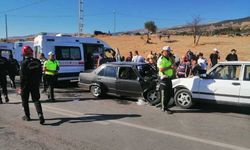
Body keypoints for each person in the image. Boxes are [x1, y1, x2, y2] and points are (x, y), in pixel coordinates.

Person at [20, 46, 44, 124]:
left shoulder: (23, 63)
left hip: (26, 85)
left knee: (25, 100)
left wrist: (21, 87)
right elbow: (40, 73)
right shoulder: (37, 61)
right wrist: (38, 81)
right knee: (36, 99)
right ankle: (40, 114)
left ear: (24, 53)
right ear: (31, 52)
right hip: (35, 84)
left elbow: (22, 76)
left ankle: (27, 116)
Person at [157, 46, 175, 114]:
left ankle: (165, 106)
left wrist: (173, 67)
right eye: (167, 51)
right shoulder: (161, 59)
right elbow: (161, 69)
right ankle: (163, 108)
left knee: (169, 93)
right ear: (164, 51)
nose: (169, 52)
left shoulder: (169, 58)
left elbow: (172, 65)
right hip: (163, 78)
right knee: (164, 94)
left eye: (169, 51)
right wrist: (170, 67)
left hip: (169, 78)